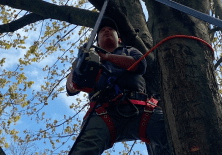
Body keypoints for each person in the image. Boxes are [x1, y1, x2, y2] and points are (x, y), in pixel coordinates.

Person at [66, 17, 171, 155]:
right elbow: (71, 89)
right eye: (102, 31)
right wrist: (78, 68)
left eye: (111, 30)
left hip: (140, 109)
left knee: (172, 133)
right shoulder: (89, 59)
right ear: (97, 41)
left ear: (119, 39)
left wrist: (107, 57)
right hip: (103, 112)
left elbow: (139, 65)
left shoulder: (129, 51)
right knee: (85, 148)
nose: (107, 31)